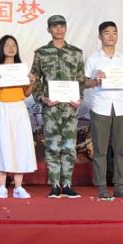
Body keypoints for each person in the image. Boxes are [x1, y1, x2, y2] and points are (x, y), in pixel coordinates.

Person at [29, 14, 84, 199]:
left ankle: (67, 184)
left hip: (70, 107)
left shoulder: (76, 53)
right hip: (51, 108)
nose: (59, 29)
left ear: (66, 28)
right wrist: (41, 98)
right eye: (55, 26)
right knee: (52, 146)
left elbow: (80, 79)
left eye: (62, 26)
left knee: (69, 146)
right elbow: (35, 79)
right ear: (49, 29)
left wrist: (79, 98)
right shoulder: (41, 53)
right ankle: (54, 185)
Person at [83, 21, 123, 200]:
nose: (111, 36)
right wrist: (95, 80)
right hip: (100, 107)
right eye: (106, 32)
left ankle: (120, 185)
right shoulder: (93, 59)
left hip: (121, 107)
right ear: (100, 36)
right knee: (100, 150)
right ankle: (101, 186)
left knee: (121, 149)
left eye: (114, 32)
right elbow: (84, 82)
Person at [0, 34, 36, 199]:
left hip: (18, 108)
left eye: (13, 45)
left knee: (19, 145)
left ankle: (18, 187)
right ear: (1, 48)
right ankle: (2, 186)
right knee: (1, 144)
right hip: (1, 108)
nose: (10, 48)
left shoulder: (21, 69)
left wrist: (32, 83)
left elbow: (26, 93)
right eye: (7, 45)